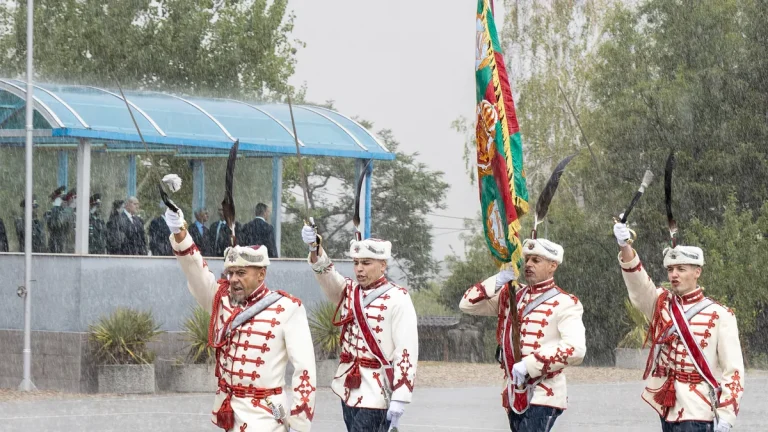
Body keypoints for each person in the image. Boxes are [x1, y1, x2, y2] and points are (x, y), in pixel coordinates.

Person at [165, 208, 316, 432]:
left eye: (241, 273)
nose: (233, 279)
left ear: (261, 275)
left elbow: (305, 369)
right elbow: (195, 270)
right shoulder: (221, 300)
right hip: (230, 413)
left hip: (268, 414)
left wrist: (299, 423)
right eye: (231, 273)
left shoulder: (287, 308)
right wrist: (179, 232)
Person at [613, 222, 744, 432]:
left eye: (681, 269)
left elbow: (733, 371)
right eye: (671, 269)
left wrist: (727, 415)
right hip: (668, 406)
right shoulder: (661, 304)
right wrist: (624, 246)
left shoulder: (720, 314)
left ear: (697, 272)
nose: (674, 275)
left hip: (698, 409)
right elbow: (638, 284)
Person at [459, 238, 586, 432]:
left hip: (545, 391)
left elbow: (575, 350)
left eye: (536, 260)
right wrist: (499, 279)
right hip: (514, 391)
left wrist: (530, 365)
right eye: (527, 259)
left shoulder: (565, 302)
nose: (528, 265)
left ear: (553, 265)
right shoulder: (511, 295)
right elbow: (467, 304)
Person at [302, 224, 418, 432]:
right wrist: (314, 248)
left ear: (383, 265)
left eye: (366, 263)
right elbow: (328, 276)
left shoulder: (398, 297)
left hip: (376, 390)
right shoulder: (349, 290)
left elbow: (406, 350)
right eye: (356, 263)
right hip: (348, 385)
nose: (359, 269)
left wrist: (401, 395)